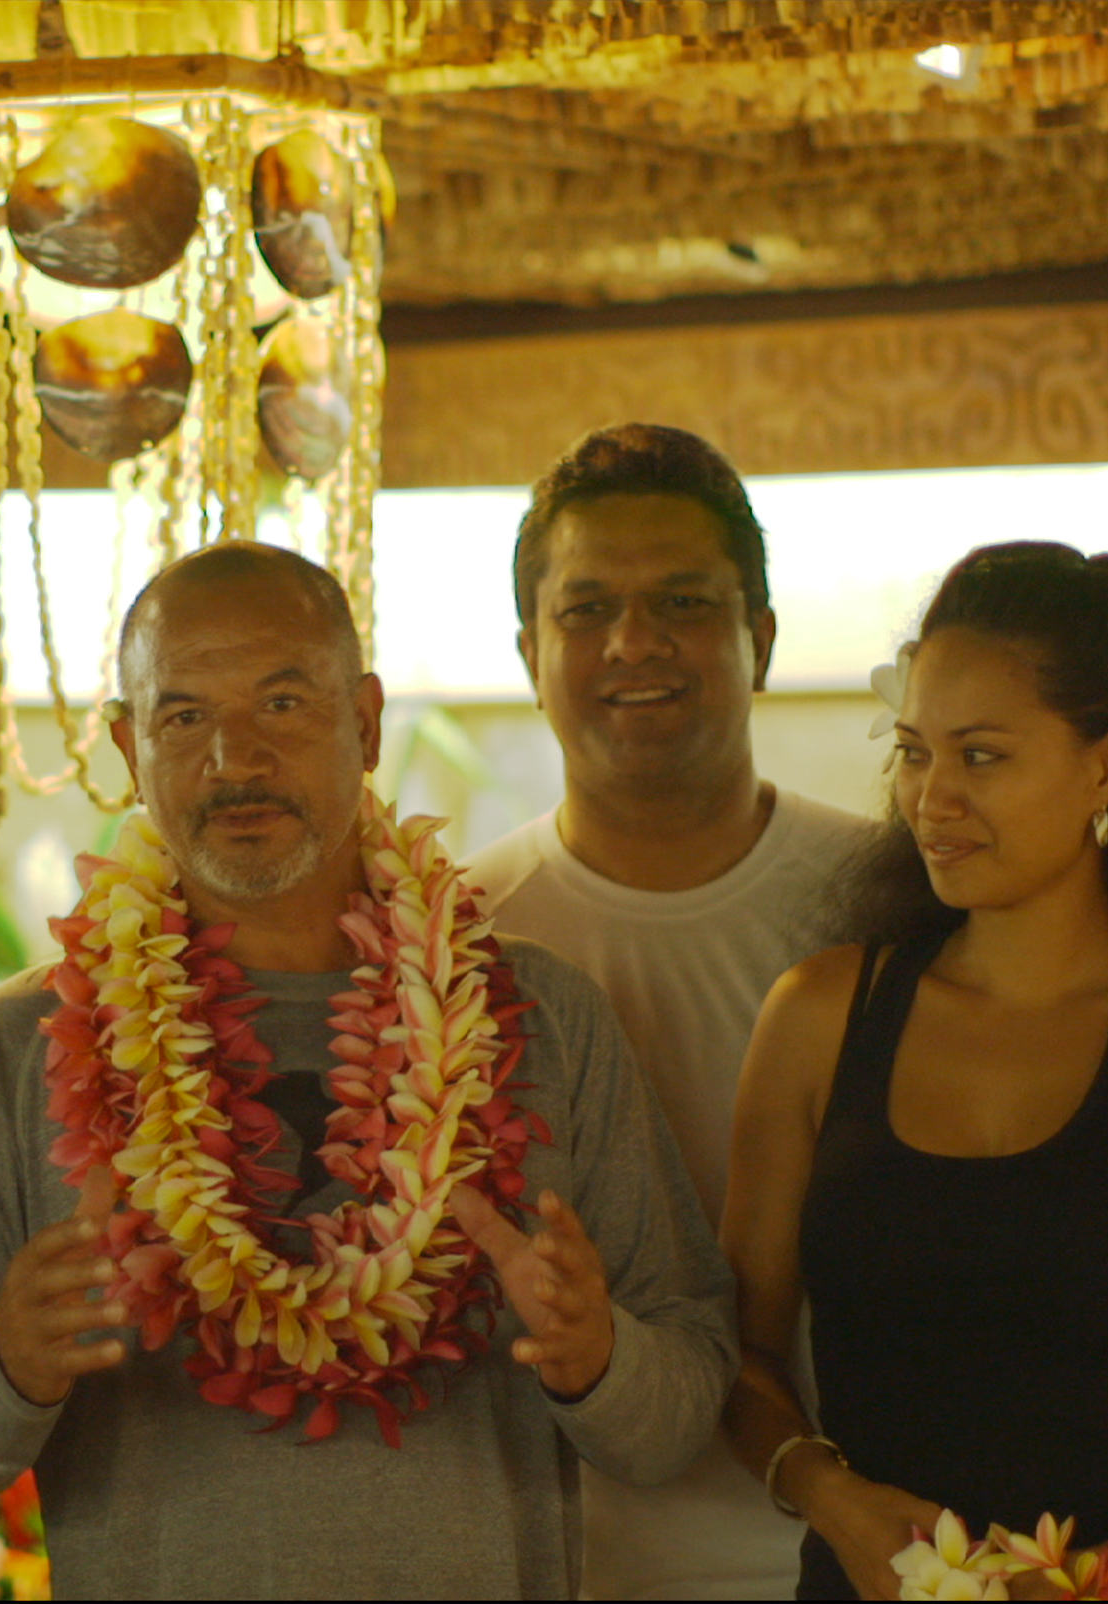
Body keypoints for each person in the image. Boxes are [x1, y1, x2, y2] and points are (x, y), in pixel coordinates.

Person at [0, 541, 739, 1599]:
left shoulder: (542, 1020)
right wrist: (5, 1365)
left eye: (282, 703)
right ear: (129, 746)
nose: (235, 758)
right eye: (184, 716)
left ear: (366, 721)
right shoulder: (16, 1047)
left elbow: (682, 1410)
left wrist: (600, 1357)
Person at [728, 542, 1108, 1599]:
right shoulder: (819, 1017)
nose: (933, 798)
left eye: (982, 756)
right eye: (914, 752)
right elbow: (737, 1352)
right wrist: (828, 1495)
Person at [468, 423, 872, 1599]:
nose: (634, 642)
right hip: (567, 1563)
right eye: (587, 608)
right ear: (530, 651)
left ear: (762, 639)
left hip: (862, 1551)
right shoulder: (451, 939)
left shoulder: (894, 901)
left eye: (683, 602)